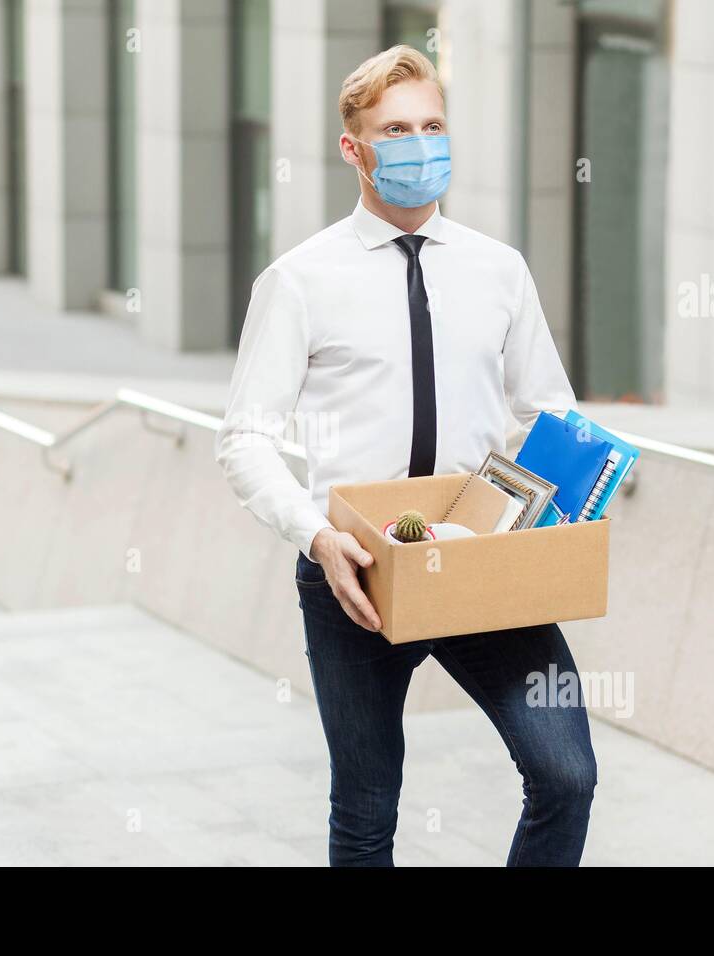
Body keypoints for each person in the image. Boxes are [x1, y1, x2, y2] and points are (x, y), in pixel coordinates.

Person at [214, 45, 596, 867]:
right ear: (354, 148)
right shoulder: (300, 281)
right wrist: (317, 536)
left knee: (566, 775)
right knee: (365, 812)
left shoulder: (499, 270)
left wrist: (566, 497)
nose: (419, 144)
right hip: (357, 572)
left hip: (480, 560)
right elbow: (244, 436)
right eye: (395, 129)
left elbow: (551, 408)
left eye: (431, 125)